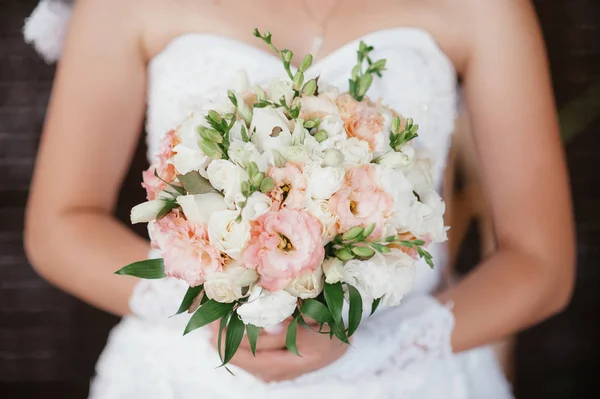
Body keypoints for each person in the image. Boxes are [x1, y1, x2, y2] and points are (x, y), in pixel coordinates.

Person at [23, 0, 574, 397]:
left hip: (409, 380)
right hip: (181, 375)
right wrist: (209, 308)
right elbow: (59, 224)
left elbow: (541, 262)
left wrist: (382, 343)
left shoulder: (486, 9)